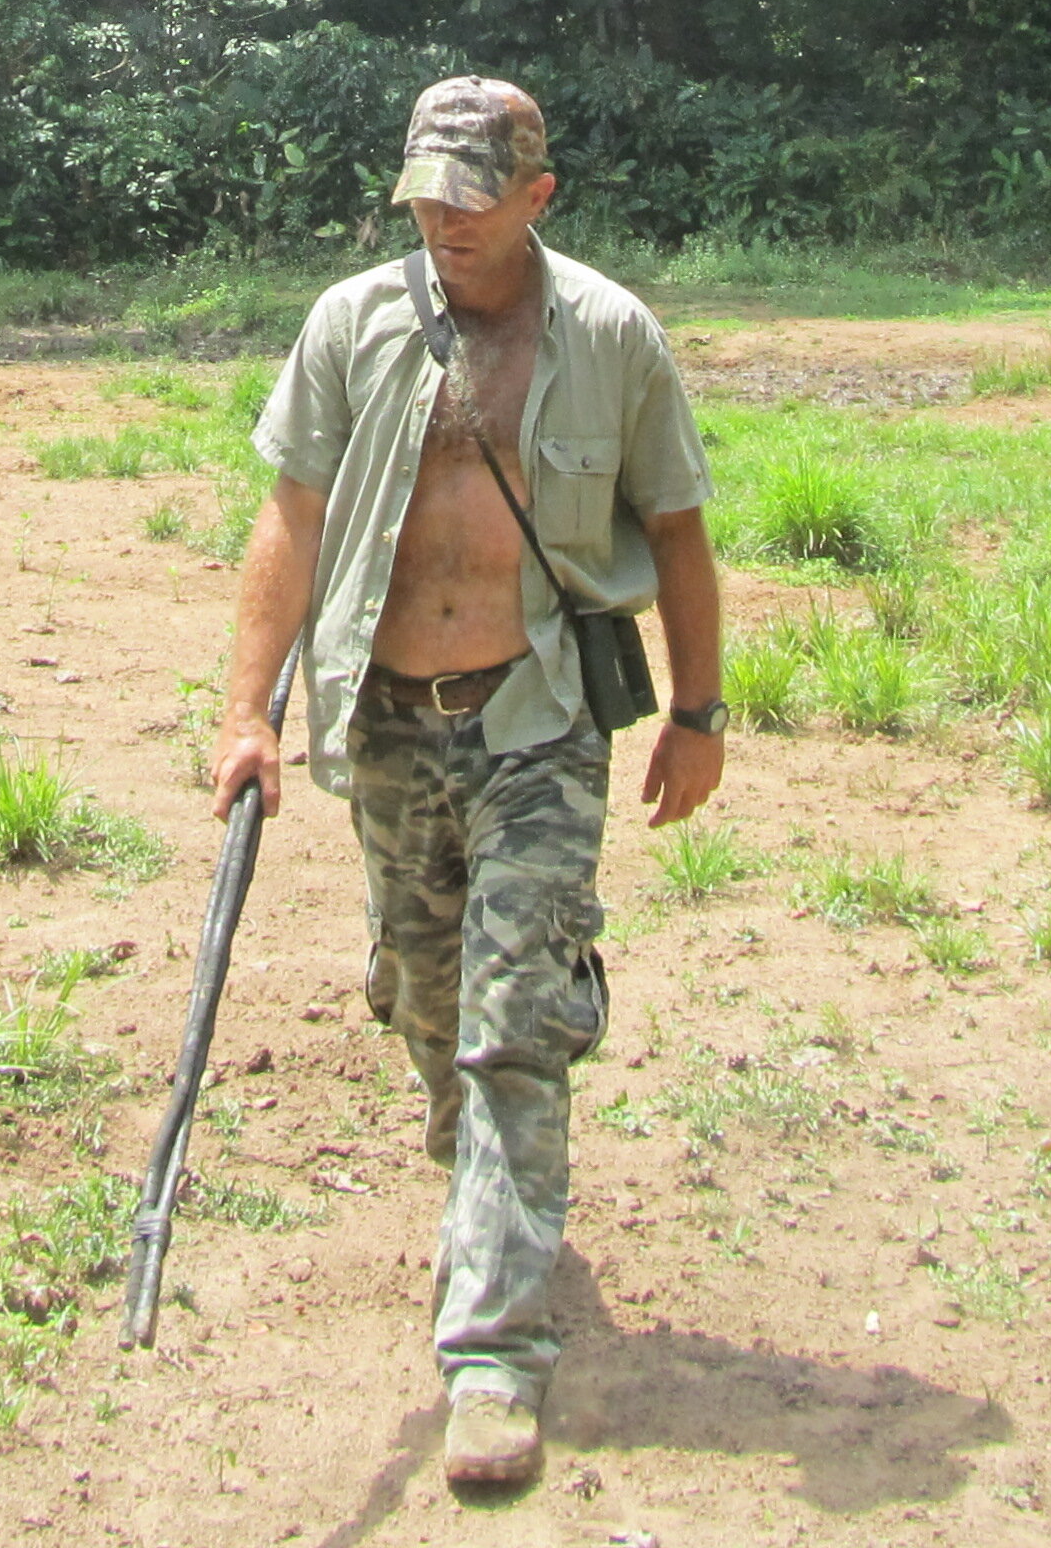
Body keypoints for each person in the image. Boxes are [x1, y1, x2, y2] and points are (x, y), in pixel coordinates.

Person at [206, 76, 727, 1493]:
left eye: (472, 199)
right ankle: (506, 1091)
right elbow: (292, 517)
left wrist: (699, 709)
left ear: (538, 197)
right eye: (425, 198)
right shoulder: (354, 325)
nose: (444, 223)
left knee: (507, 1026)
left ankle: (492, 1352)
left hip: (540, 720)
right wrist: (243, 711)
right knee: (423, 994)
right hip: (382, 724)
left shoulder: (611, 338)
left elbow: (676, 529)